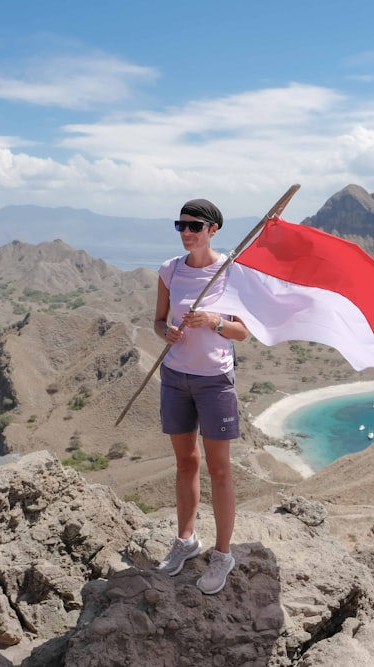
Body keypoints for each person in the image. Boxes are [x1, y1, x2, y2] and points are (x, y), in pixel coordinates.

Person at [154, 198, 248, 595]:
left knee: (220, 469)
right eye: (182, 225)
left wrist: (215, 321)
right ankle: (186, 540)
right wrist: (166, 333)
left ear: (214, 229)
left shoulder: (231, 272)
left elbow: (243, 331)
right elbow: (158, 321)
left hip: (214, 381)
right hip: (175, 377)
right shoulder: (169, 270)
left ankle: (223, 553)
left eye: (196, 226)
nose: (187, 232)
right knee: (184, 463)